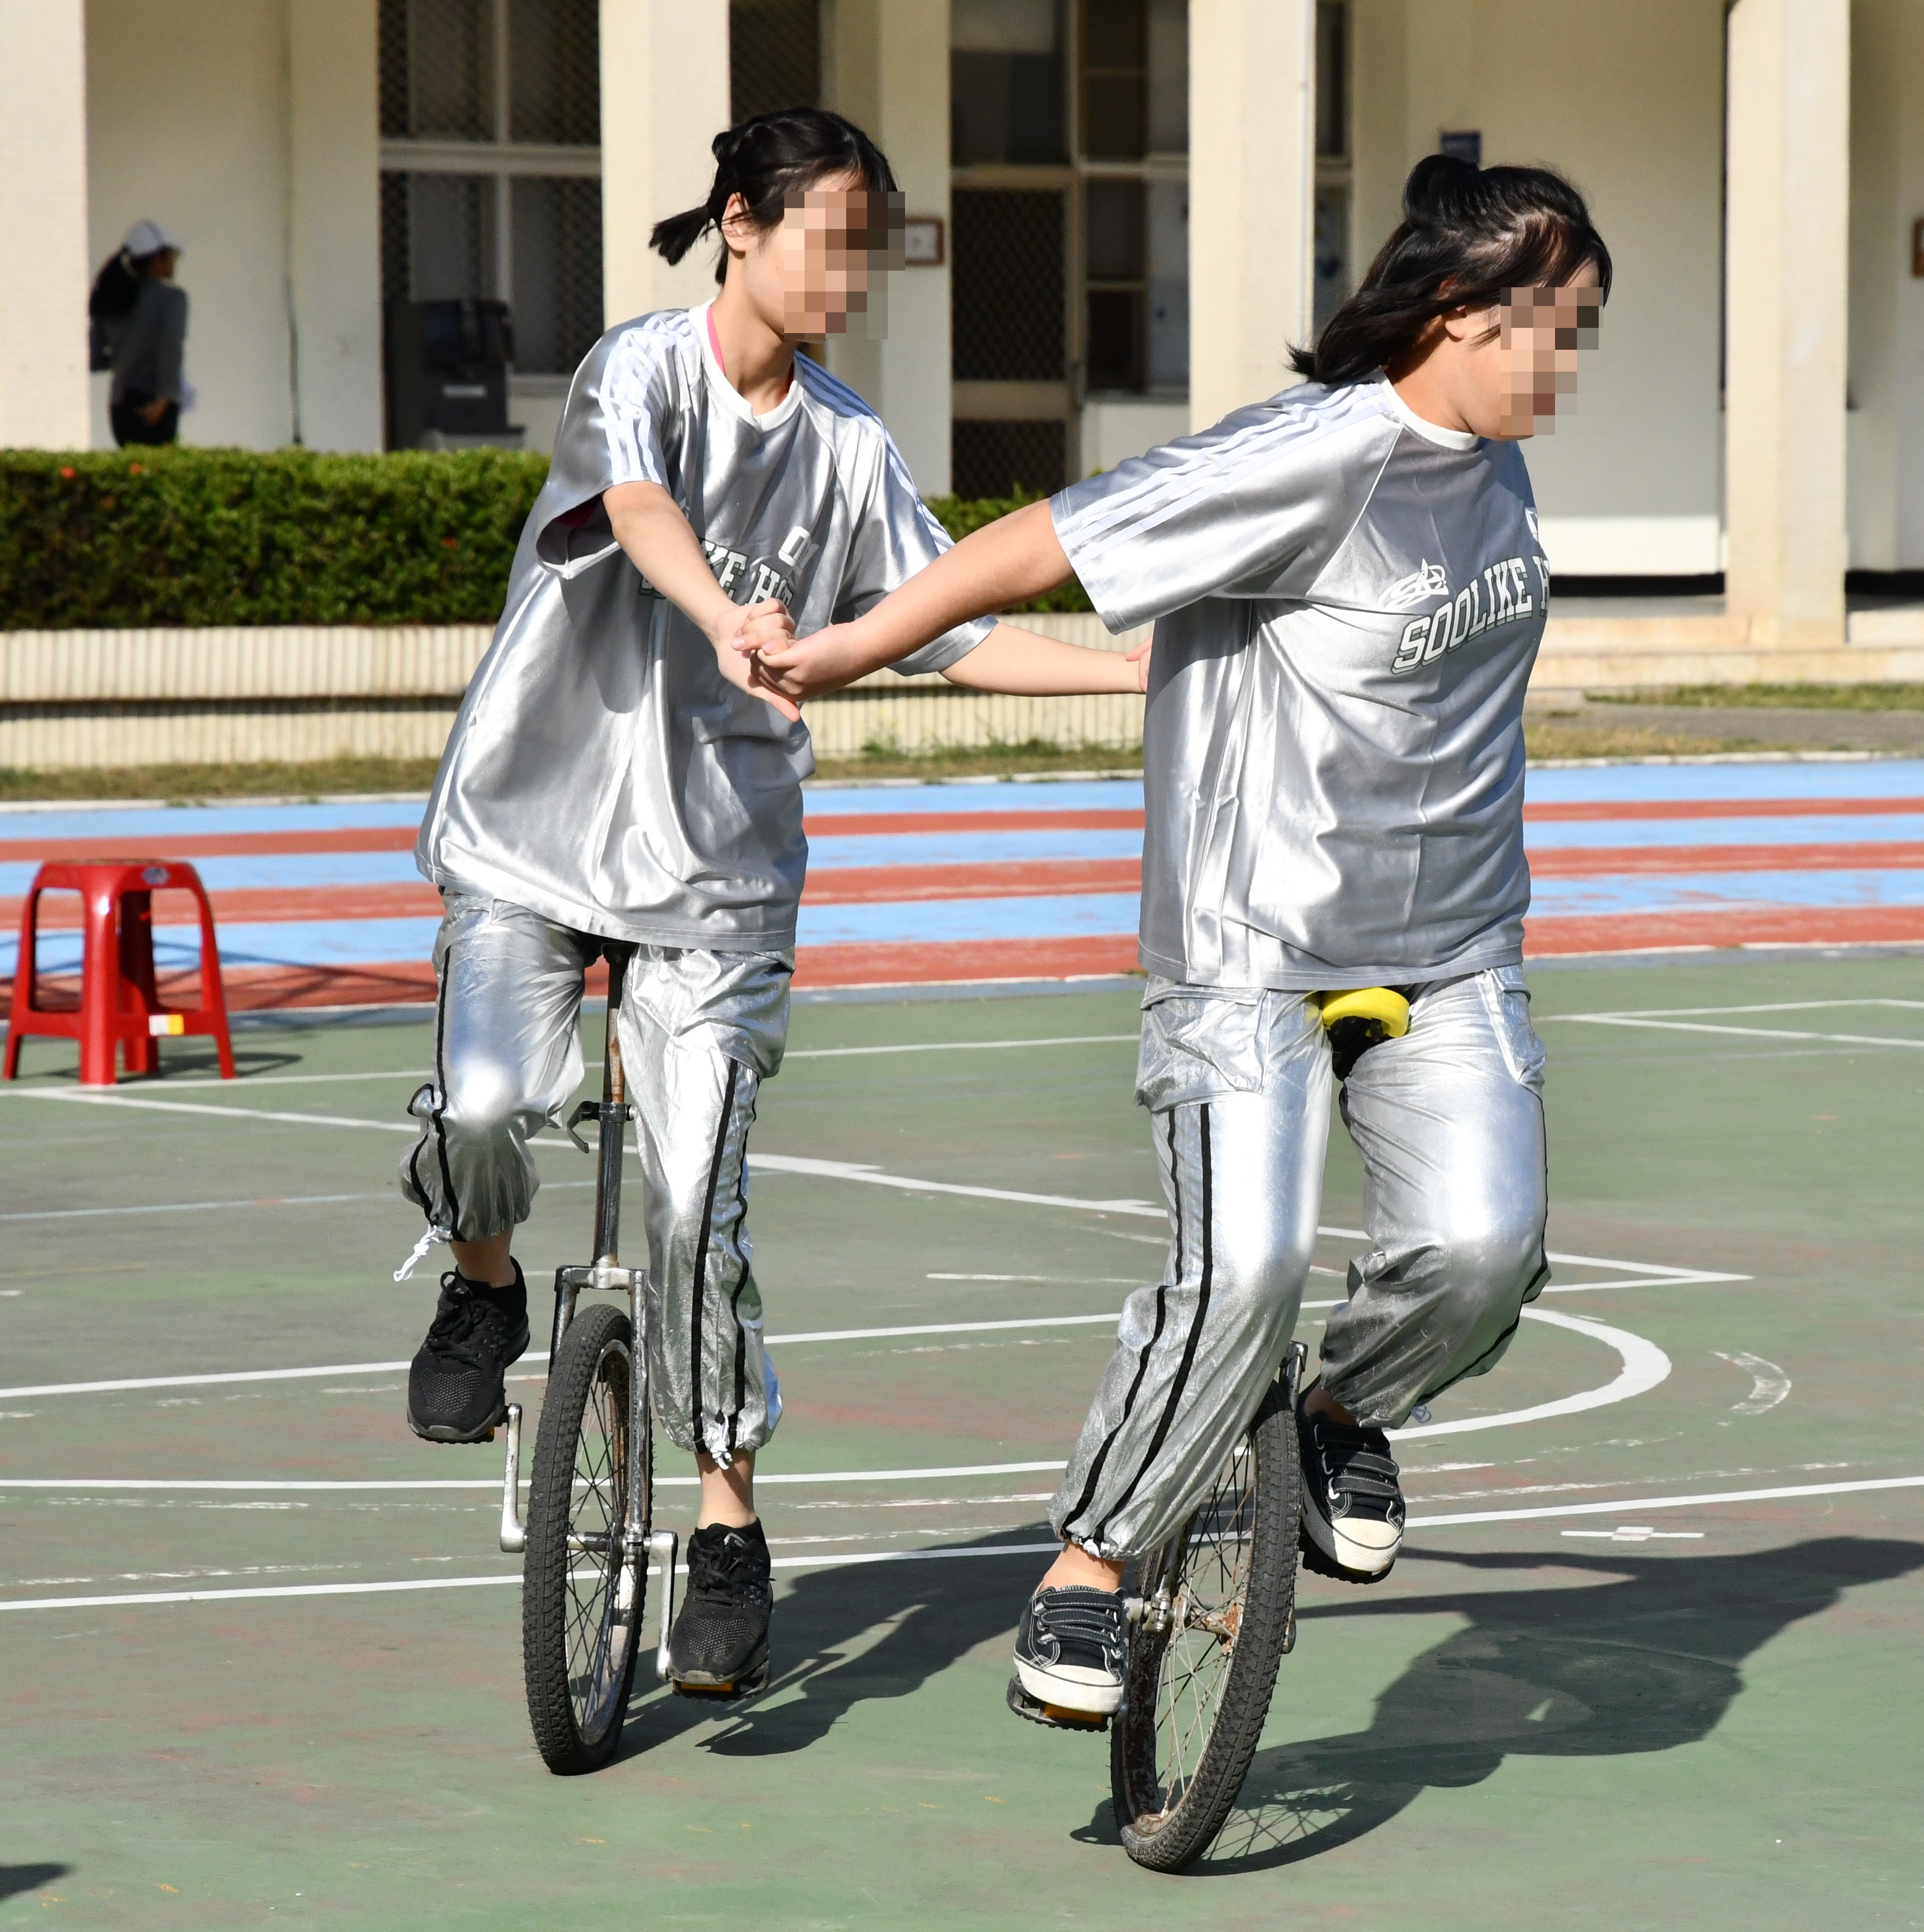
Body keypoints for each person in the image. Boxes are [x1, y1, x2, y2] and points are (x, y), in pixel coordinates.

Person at [743, 153, 1609, 1726]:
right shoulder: (1312, 452)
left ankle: (1339, 1403)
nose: (1571, 366)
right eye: (1561, 331)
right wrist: (859, 644)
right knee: (1246, 1266)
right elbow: (1048, 541)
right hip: (1251, 936)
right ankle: (1089, 1564)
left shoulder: (1499, 465)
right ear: (1469, 315)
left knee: (1487, 1252)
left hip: (1450, 939)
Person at [394, 107, 1143, 1699]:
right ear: (739, 221)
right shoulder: (637, 371)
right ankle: (481, 1281)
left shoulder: (853, 448)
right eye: (829, 236)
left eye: (869, 247)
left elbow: (938, 628)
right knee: (481, 1105)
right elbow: (645, 512)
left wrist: (1128, 672)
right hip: (538, 830)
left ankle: (725, 1517)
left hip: (717, 878)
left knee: (691, 1212)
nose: (851, 273)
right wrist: (726, 615)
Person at [100, 220, 189, 448]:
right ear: (157, 259)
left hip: (119, 406)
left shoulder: (112, 301)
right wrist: (165, 397)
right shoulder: (172, 299)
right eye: (170, 256)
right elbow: (171, 348)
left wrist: (125, 357)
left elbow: (94, 357)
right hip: (153, 405)